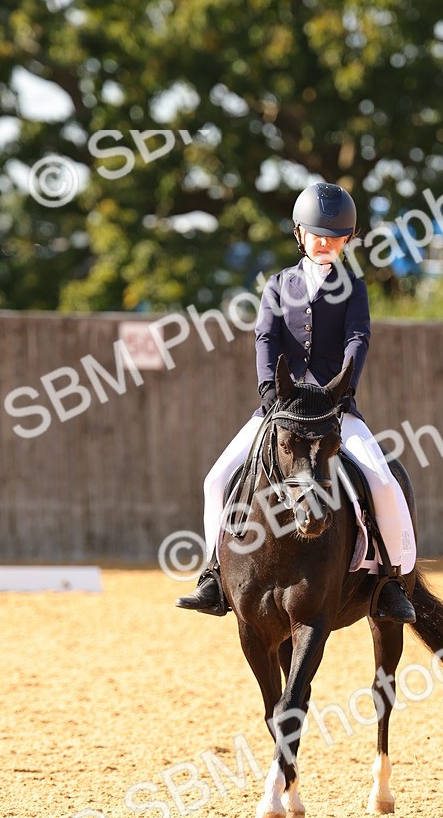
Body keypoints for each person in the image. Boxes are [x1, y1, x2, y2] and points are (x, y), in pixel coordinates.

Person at [177, 181, 417, 622]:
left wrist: (343, 387)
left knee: (383, 483)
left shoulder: (354, 286)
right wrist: (268, 389)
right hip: (280, 409)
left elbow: (357, 338)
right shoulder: (277, 284)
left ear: (348, 239)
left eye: (336, 236)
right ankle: (214, 576)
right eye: (317, 233)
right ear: (299, 234)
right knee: (216, 480)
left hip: (334, 411)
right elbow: (265, 335)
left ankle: (391, 582)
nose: (325, 242)